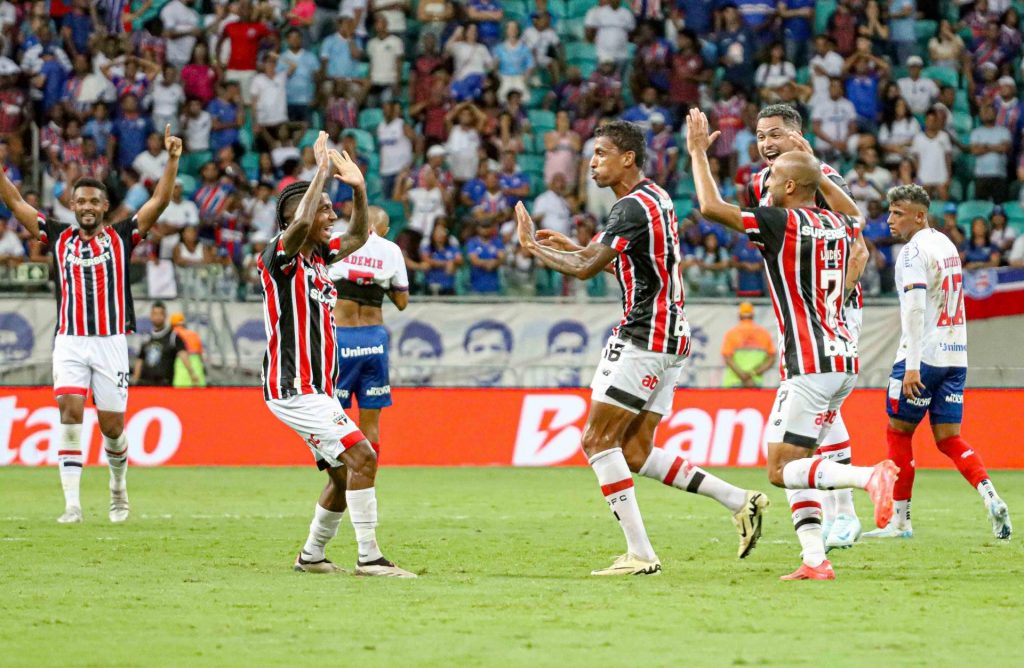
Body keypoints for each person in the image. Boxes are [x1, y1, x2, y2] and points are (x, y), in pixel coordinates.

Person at [513, 120, 769, 576]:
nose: (592, 162)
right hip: (671, 335)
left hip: (644, 336)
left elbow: (589, 270)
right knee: (633, 451)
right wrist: (577, 248)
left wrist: (533, 247)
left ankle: (641, 555)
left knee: (595, 441)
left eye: (601, 153)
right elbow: (637, 270)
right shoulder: (656, 197)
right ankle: (739, 500)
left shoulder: (629, 209)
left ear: (627, 158)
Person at [687, 107, 896, 580]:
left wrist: (698, 152)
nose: (767, 170)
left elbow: (709, 208)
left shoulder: (782, 224)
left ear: (789, 187)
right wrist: (817, 173)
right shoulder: (839, 223)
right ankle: (815, 559)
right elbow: (855, 216)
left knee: (781, 469)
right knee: (800, 461)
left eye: (777, 171)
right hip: (841, 353)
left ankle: (866, 480)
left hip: (811, 358)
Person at [0, 125, 182, 524]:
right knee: (68, 413)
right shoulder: (57, 236)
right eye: (80, 200)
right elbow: (15, 203)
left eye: (93, 201)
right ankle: (72, 504)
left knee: (112, 427)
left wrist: (171, 158)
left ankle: (118, 489)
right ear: (71, 203)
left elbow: (160, 199)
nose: (86, 206)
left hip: (110, 342)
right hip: (69, 341)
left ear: (103, 206)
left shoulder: (123, 236)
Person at [258, 132, 413, 577]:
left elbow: (361, 234)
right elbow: (303, 222)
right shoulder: (279, 257)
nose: (331, 215)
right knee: (364, 457)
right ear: (292, 219)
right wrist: (321, 169)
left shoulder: (319, 259)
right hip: (293, 388)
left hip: (317, 389)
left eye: (332, 206)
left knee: (343, 476)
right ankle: (370, 558)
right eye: (323, 208)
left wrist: (359, 188)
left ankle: (311, 556)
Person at [749, 103, 868, 552]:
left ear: (798, 137)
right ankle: (831, 515)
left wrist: (833, 303)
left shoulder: (819, 176)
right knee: (819, 415)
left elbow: (859, 246)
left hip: (829, 311)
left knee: (821, 409)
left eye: (776, 135)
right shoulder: (767, 182)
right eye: (761, 136)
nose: (766, 144)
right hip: (799, 310)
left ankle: (844, 514)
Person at [863, 185, 1012, 541]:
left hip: (923, 357)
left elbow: (915, 310)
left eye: (898, 212)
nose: (890, 219)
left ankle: (900, 521)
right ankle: (990, 495)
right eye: (889, 212)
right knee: (949, 438)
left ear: (919, 215)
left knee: (898, 431)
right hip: (955, 356)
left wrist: (912, 364)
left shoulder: (912, 253)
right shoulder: (945, 244)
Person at [328, 206, 409, 462]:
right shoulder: (391, 250)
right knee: (371, 422)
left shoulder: (337, 241)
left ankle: (340, 481)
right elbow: (402, 302)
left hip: (342, 337)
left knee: (334, 418)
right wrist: (376, 279)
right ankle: (366, 482)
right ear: (384, 230)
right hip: (374, 339)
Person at [132, 302, 195, 387]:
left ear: (165, 316)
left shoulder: (173, 336)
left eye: (160, 314)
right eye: (155, 314)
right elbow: (140, 360)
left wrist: (192, 374)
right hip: (145, 384)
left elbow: (183, 355)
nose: (157, 317)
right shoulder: (146, 337)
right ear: (150, 316)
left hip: (164, 385)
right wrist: (135, 379)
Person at [721, 302, 775, 388]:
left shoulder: (731, 333)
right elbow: (771, 359)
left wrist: (743, 376)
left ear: (739, 315)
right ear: (753, 315)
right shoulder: (764, 334)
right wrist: (752, 374)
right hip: (755, 382)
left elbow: (727, 358)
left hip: (732, 383)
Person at [170, 312, 205, 387]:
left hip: (182, 364)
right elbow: (201, 354)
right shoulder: (193, 334)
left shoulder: (174, 334)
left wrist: (191, 372)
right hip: (197, 363)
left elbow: (181, 354)